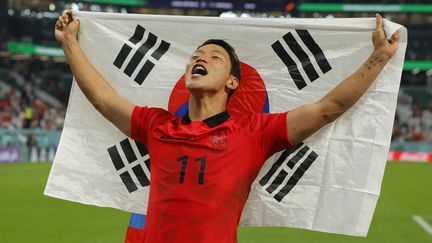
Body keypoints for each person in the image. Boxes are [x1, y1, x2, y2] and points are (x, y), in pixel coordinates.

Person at [55, 10, 399, 243]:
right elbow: (101, 98)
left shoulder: (253, 133)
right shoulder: (157, 125)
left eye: (213, 57)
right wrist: (69, 43)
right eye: (195, 56)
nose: (199, 59)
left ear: (233, 82)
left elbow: (328, 108)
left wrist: (379, 57)